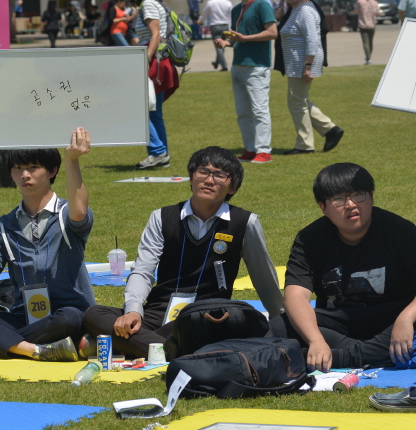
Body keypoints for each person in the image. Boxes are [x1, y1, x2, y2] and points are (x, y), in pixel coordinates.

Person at [82, 146, 283, 358]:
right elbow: (143, 270)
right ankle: (169, 349)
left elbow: (263, 277)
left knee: (242, 322)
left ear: (232, 187)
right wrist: (133, 311)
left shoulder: (245, 222)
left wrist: (281, 321)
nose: (209, 180)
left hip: (207, 316)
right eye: (203, 172)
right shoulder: (161, 217)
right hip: (159, 311)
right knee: (94, 314)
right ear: (191, 177)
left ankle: (131, 344)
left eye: (219, 175)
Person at [270, 163, 416, 370]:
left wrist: (407, 318)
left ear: (371, 196)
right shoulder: (310, 238)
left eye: (358, 195)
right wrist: (316, 340)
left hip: (392, 320)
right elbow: (296, 296)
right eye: (338, 199)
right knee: (280, 325)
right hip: (340, 321)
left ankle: (341, 358)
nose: (351, 205)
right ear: (323, 207)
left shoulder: (398, 230)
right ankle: (380, 354)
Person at [0, 129, 96, 361]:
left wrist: (72, 160)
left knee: (70, 319)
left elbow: (80, 212)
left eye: (33, 167)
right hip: (24, 318)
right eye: (17, 168)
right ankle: (32, 349)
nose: (24, 175)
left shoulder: (66, 215)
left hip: (67, 315)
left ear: (52, 171)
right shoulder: (4, 226)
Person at [216, 0, 277, 164]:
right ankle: (251, 148)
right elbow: (238, 38)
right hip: (238, 65)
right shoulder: (236, 9)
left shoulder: (262, 5)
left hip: (257, 65)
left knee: (259, 110)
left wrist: (245, 38)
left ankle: (264, 151)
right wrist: (227, 42)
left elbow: (272, 33)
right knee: (243, 112)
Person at [276, 0, 343, 156]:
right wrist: (280, 19)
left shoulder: (305, 10)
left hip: (302, 62)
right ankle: (330, 130)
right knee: (299, 100)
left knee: (296, 102)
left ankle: (305, 145)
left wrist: (307, 66)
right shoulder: (295, 9)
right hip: (296, 62)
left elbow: (313, 40)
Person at [126, 0, 172, 170]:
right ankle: (162, 154)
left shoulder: (148, 4)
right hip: (158, 60)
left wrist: (146, 59)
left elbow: (155, 35)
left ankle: (157, 152)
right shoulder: (149, 3)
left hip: (152, 60)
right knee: (153, 111)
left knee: (141, 109)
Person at [203, 0, 233, 72]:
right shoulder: (228, 2)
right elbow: (231, 14)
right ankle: (216, 62)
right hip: (225, 25)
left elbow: (205, 13)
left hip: (215, 25)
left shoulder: (210, 2)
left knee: (218, 46)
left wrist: (200, 20)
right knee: (222, 45)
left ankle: (224, 66)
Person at [354, 0, 378, 65]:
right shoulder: (374, 2)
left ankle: (368, 58)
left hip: (363, 24)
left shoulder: (360, 2)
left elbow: (356, 11)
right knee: (370, 42)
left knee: (365, 42)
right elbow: (378, 12)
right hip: (372, 24)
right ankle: (369, 56)